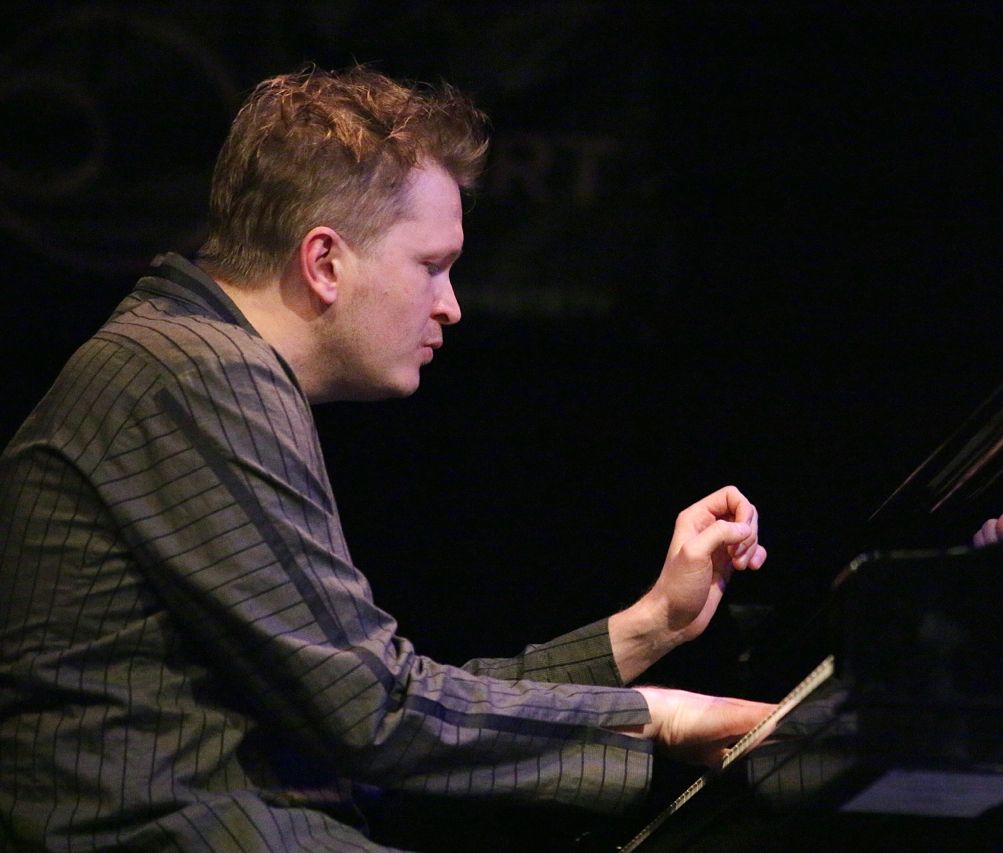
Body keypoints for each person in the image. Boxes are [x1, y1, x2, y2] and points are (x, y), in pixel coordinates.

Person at [0, 67, 774, 852]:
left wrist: (651, 626)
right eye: (431, 265)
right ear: (325, 262)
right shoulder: (199, 376)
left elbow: (376, 695)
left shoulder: (193, 361)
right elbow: (378, 711)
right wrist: (658, 715)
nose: (452, 304)